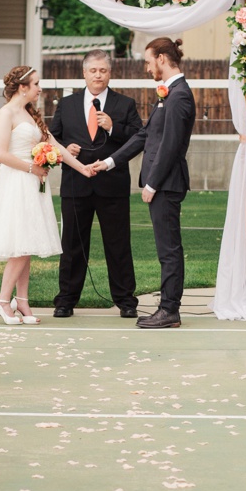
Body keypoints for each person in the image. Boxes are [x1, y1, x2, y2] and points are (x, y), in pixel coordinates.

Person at [47, 49, 146, 319]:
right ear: (84, 73)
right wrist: (67, 149)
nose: (98, 75)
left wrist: (114, 127)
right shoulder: (67, 104)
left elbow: (140, 137)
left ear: (110, 73)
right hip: (75, 185)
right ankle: (66, 300)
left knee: (118, 244)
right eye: (93, 70)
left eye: (103, 70)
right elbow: (51, 139)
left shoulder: (124, 105)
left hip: (112, 185)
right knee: (73, 244)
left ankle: (126, 300)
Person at [0, 66, 60, 325]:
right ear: (22, 86)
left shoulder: (30, 114)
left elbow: (54, 144)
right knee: (20, 242)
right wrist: (32, 167)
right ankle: (3, 300)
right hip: (17, 181)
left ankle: (23, 300)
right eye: (36, 84)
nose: (40, 88)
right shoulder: (6, 113)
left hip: (33, 183)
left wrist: (82, 167)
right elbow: (0, 154)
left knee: (28, 243)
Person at [135, 38, 197, 329]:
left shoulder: (179, 95)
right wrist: (110, 162)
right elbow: (151, 137)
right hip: (164, 182)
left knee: (169, 249)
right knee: (166, 248)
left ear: (161, 58)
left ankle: (170, 309)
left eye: (149, 61)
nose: (147, 68)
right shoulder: (169, 93)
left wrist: (152, 184)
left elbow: (170, 145)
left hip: (167, 184)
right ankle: (167, 307)